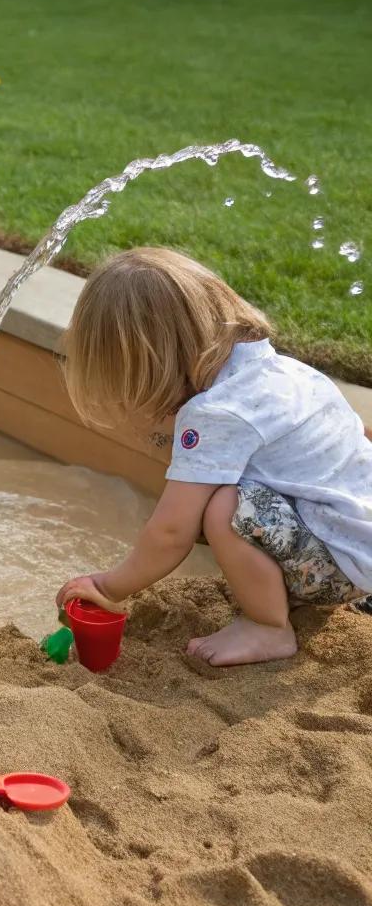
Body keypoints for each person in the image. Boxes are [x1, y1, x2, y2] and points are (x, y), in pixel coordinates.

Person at [55, 247, 372, 667]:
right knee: (222, 495)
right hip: (358, 544)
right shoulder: (281, 372)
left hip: (342, 571)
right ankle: (281, 593)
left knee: (224, 508)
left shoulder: (218, 412)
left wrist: (108, 586)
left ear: (148, 363)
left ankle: (269, 627)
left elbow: (171, 532)